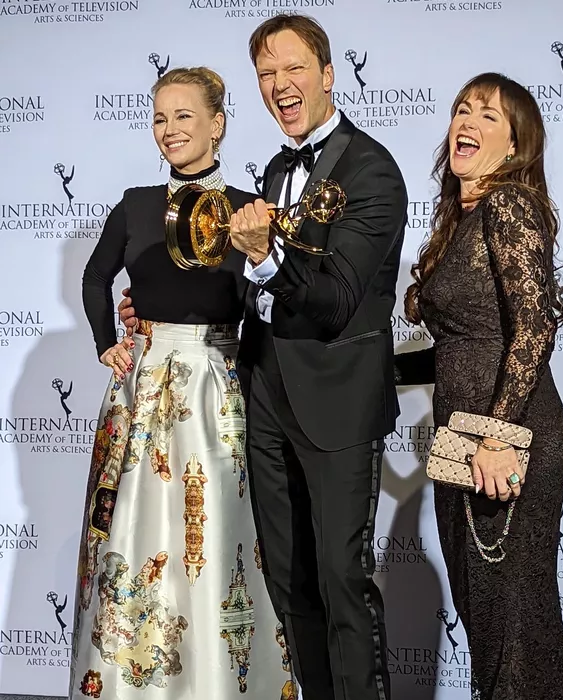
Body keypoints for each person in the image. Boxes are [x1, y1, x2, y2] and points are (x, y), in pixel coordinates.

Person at [120, 14, 408, 700]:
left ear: (328, 75)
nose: (280, 84)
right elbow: (253, 288)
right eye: (266, 74)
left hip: (338, 404)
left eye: (294, 68)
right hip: (266, 398)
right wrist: (157, 307)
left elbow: (335, 300)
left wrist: (267, 256)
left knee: (342, 580)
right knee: (286, 582)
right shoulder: (277, 170)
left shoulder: (372, 169)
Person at [72, 66, 296, 700]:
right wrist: (108, 343)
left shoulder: (250, 209)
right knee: (132, 529)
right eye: (160, 118)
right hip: (142, 389)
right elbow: (95, 278)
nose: (169, 130)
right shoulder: (136, 204)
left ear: (217, 125)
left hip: (217, 389)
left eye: (184, 116)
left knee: (221, 533)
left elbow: (268, 300)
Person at [394, 72, 563, 700]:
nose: (467, 122)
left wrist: (496, 437)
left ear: (516, 145)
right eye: (462, 110)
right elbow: (461, 349)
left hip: (506, 443)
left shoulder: (508, 206)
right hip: (460, 447)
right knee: (501, 630)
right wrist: (368, 373)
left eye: (489, 116)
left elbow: (534, 327)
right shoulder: (460, 223)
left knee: (517, 634)